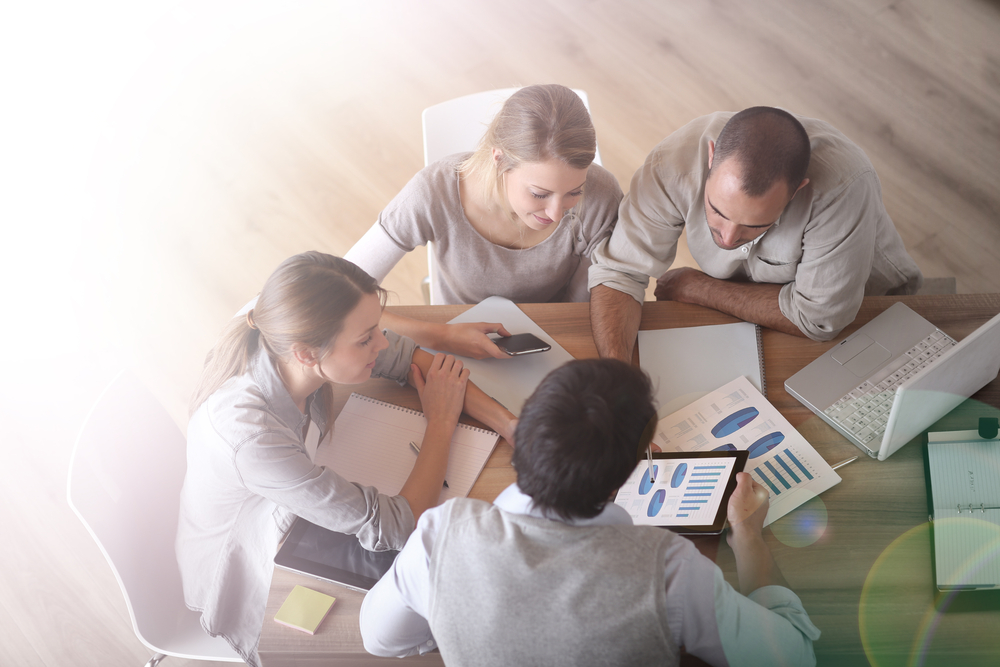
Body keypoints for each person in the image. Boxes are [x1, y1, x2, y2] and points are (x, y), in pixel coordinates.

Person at [359, 359, 820, 666]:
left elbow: (379, 639)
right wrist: (747, 534)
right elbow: (794, 656)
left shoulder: (441, 536)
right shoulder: (669, 570)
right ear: (625, 475)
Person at [175, 252, 516, 667]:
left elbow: (410, 358)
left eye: (376, 329)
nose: (383, 343)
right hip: (251, 569)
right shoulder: (250, 437)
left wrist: (509, 424)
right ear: (305, 353)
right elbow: (397, 525)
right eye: (366, 338)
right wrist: (441, 422)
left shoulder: (278, 326)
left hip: (289, 509)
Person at [589, 106, 923, 361]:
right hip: (755, 312)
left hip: (869, 313)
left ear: (797, 191)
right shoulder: (671, 164)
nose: (729, 239)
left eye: (755, 224)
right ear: (710, 158)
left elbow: (821, 321)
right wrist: (617, 375)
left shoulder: (841, 188)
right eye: (717, 210)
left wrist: (698, 287)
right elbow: (619, 272)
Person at [345, 83, 622, 360]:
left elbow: (581, 310)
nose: (556, 214)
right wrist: (442, 335)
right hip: (454, 334)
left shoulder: (601, 196)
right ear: (499, 160)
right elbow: (336, 292)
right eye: (540, 194)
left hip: (552, 338)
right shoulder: (433, 192)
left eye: (575, 192)